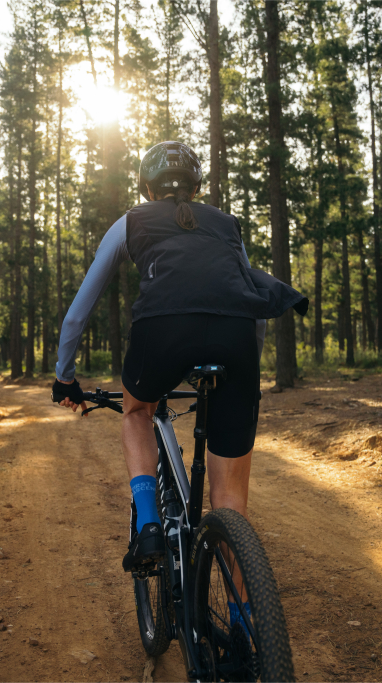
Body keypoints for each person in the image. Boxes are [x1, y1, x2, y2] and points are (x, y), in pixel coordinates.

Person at [51, 141, 307, 574]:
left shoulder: (131, 220)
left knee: (136, 411)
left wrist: (66, 377)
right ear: (196, 186)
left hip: (161, 331)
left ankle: (150, 523)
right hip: (236, 339)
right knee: (231, 504)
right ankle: (247, 623)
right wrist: (243, 367)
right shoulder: (226, 224)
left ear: (146, 187)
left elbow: (78, 312)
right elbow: (251, 305)